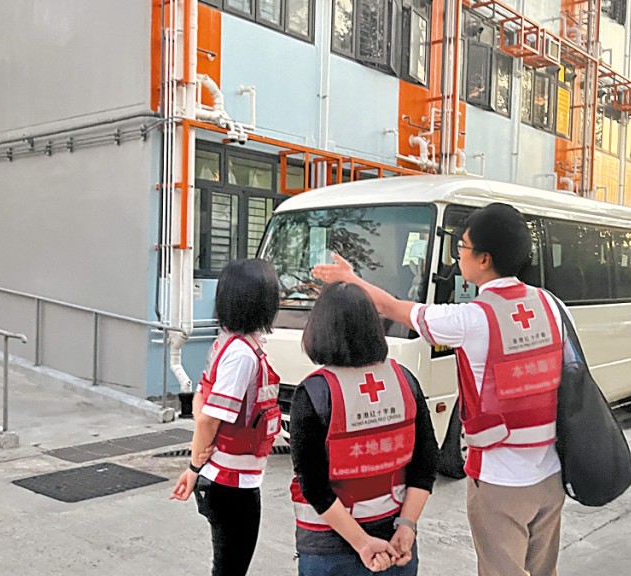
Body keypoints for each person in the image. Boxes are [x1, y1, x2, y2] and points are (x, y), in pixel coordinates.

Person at [313, 203, 574, 576]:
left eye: (462, 248)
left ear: (484, 259)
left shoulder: (472, 318)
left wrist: (351, 279)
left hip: (501, 479)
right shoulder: (552, 305)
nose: (458, 256)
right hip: (552, 472)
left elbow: (393, 308)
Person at [289, 281, 438, 575]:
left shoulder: (315, 393)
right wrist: (407, 527)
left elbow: (314, 486)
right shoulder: (404, 381)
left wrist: (362, 544)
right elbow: (426, 461)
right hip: (396, 541)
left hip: (330, 549)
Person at [170, 259, 282, 576]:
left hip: (229, 479)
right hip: (229, 484)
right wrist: (193, 468)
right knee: (230, 569)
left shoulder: (235, 343)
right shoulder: (241, 354)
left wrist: (194, 470)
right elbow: (206, 416)